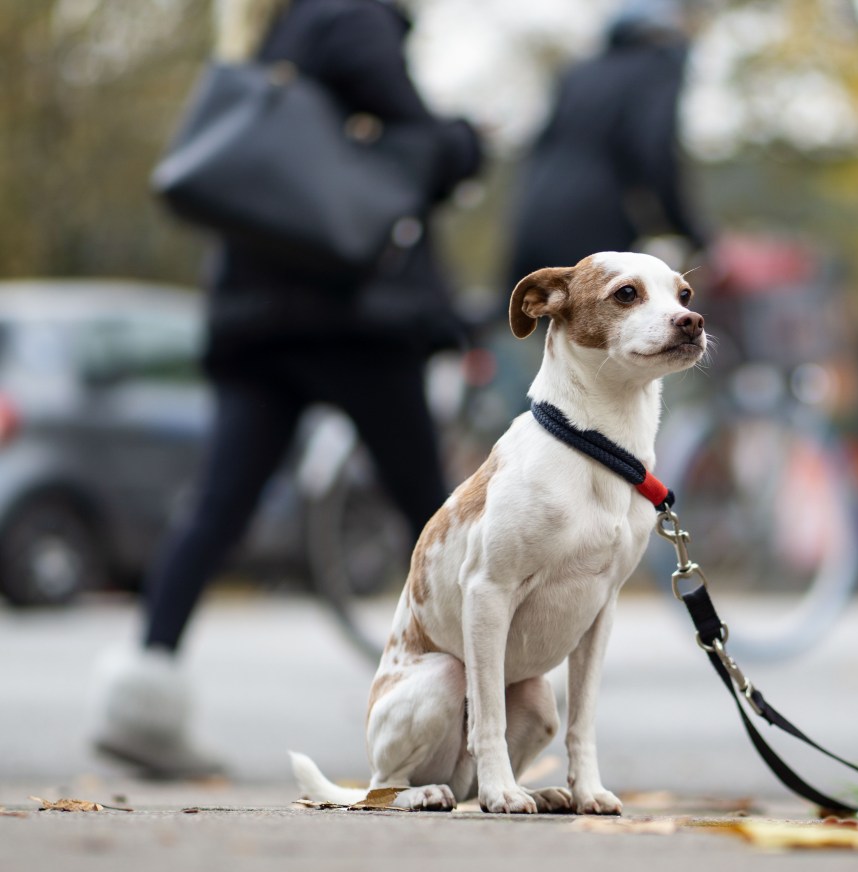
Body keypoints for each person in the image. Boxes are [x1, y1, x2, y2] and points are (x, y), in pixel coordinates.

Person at [90, 0, 483, 779]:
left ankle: (141, 697)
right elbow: (416, 144)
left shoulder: (279, 28)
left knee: (214, 508)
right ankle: (471, 723)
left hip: (256, 319)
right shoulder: (356, 19)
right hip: (354, 319)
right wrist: (468, 143)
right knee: (433, 518)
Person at [505, 0, 710, 286]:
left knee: (534, 325)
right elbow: (655, 153)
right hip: (594, 227)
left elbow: (539, 148)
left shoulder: (578, 72)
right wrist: (694, 233)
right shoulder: (658, 64)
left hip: (532, 220)